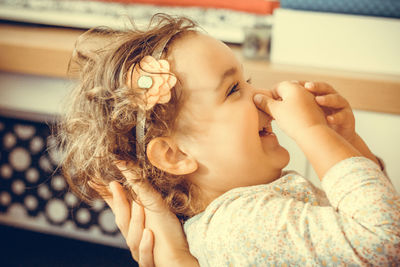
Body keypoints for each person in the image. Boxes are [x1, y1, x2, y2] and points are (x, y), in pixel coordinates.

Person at [58, 14, 399, 266]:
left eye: (246, 80)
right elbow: (383, 241)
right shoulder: (241, 227)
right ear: (175, 155)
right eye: (234, 88)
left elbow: (376, 224)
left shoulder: (246, 212)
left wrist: (348, 144)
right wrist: (314, 134)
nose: (263, 95)